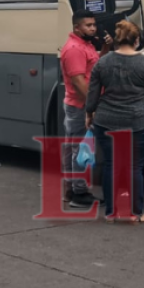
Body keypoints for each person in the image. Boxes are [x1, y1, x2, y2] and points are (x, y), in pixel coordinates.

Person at [85, 20, 144, 224]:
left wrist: (89, 113)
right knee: (135, 167)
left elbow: (93, 94)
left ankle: (111, 213)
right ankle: (137, 213)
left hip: (106, 120)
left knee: (111, 165)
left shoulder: (102, 63)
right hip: (141, 120)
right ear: (137, 40)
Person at [59, 11, 107, 208]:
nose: (93, 28)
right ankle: (79, 193)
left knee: (74, 149)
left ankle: (71, 189)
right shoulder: (74, 49)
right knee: (81, 150)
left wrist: (106, 47)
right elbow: (79, 81)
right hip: (79, 107)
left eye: (94, 25)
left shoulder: (86, 45)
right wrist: (92, 106)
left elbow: (94, 67)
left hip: (79, 105)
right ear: (76, 27)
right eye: (88, 25)